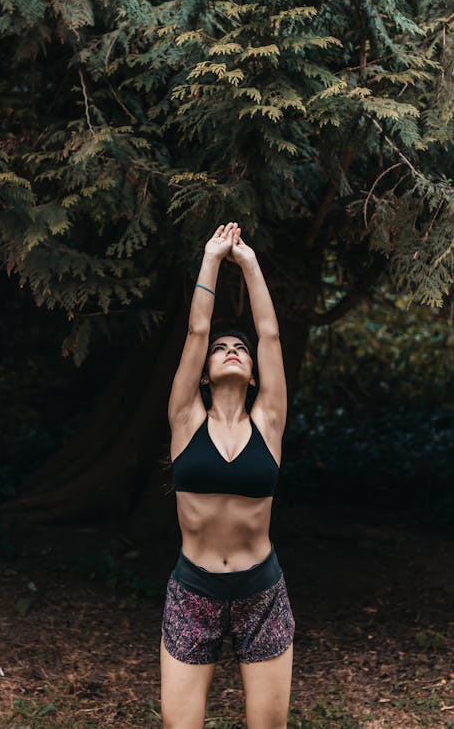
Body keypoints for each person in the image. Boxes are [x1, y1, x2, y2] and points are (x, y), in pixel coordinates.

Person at [160, 221, 295, 729]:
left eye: (239, 349)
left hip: (262, 590)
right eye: (221, 350)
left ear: (255, 372)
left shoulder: (270, 420)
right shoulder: (185, 419)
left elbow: (269, 333)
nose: (231, 349)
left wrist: (250, 262)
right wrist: (213, 258)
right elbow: (198, 330)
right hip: (193, 591)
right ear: (203, 373)